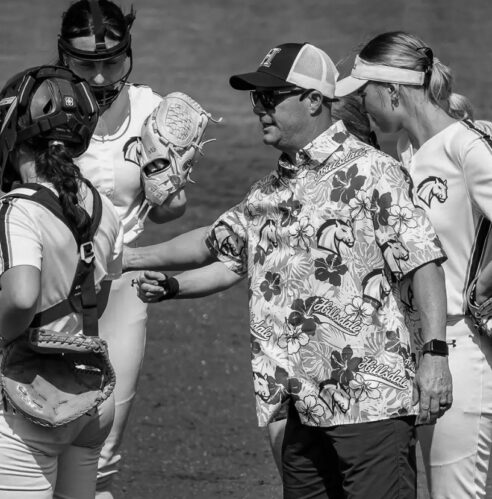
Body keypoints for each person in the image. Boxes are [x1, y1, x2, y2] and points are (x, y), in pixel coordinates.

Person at [125, 42, 452, 498]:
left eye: (270, 98)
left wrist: (435, 355)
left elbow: (424, 262)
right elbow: (217, 249)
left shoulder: (373, 171)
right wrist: (135, 262)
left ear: (315, 100)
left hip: (370, 403)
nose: (259, 110)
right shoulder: (269, 192)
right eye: (255, 99)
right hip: (301, 405)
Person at [335, 31, 492, 498]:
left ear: (392, 91)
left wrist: (485, 281)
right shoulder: (405, 154)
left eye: (363, 93)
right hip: (425, 348)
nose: (361, 105)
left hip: (464, 347)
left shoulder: (465, 146)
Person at [56, 2, 189, 495]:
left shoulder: (153, 111)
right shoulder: (38, 103)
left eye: (111, 61)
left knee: (104, 440)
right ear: (63, 54)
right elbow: (11, 201)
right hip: (51, 280)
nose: (98, 74)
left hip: (123, 281)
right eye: (85, 62)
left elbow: (172, 209)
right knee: (40, 424)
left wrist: (165, 181)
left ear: (127, 54)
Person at [0, 64, 123, 498]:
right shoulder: (102, 206)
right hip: (90, 398)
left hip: (29, 397)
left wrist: (0, 339)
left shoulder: (13, 209)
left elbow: (21, 296)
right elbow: (101, 296)